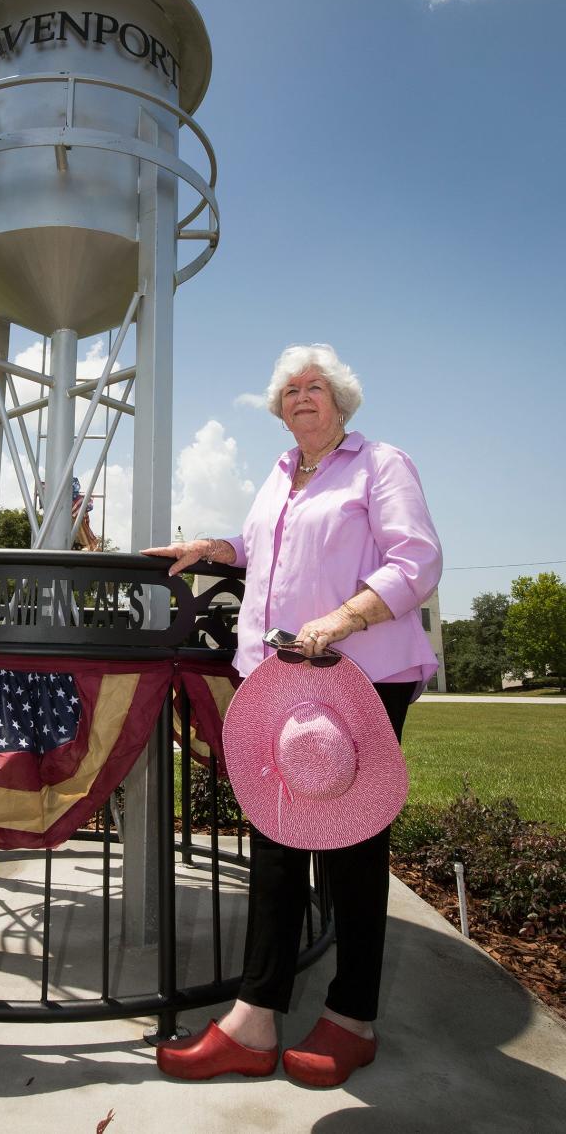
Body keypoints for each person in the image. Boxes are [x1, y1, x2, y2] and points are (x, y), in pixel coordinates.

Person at [144, 343, 442, 1088]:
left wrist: (342, 619)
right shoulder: (278, 477)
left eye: (316, 387)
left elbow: (417, 560)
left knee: (351, 847)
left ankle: (353, 1017)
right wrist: (218, 546)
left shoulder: (380, 464)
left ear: (341, 402)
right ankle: (255, 1020)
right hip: (281, 680)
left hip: (359, 677)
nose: (301, 397)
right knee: (274, 846)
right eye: (289, 390)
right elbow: (266, 549)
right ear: (279, 409)